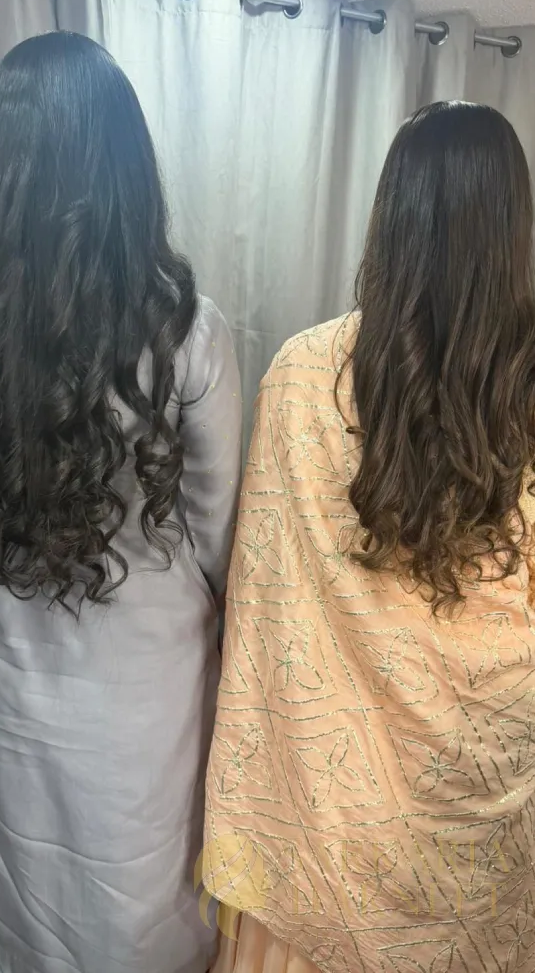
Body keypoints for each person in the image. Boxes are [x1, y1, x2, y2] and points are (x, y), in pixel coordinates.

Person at [203, 102, 535, 973]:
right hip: (484, 831)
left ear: (389, 217)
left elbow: (262, 612)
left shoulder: (300, 373)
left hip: (323, 830)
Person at [0, 32, 241, 973]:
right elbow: (220, 538)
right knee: (140, 916)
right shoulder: (187, 332)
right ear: (125, 168)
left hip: (15, 689)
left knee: (30, 910)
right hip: (144, 706)